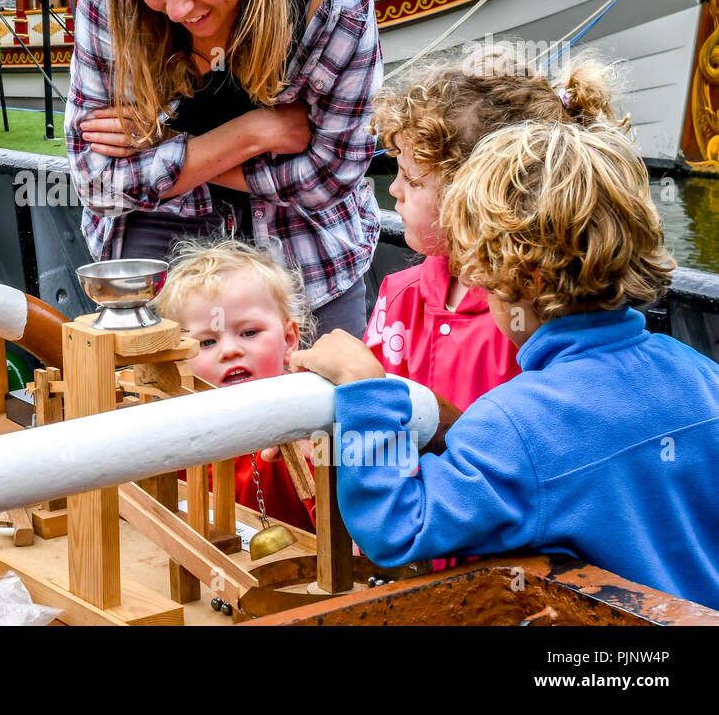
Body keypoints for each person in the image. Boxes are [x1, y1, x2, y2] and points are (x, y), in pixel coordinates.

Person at [291, 121, 719, 611]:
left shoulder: (517, 424)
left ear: (528, 283)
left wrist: (364, 392)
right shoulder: (702, 375)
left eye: (483, 275)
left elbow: (397, 529)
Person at [66, 0, 381, 337]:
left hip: (307, 261)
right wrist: (256, 132)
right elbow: (98, 182)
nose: (177, 9)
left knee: (318, 413)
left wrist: (167, 143)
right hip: (156, 273)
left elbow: (331, 177)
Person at [366, 41, 622, 411]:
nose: (393, 191)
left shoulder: (532, 315)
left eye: (413, 180)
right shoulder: (399, 295)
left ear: (476, 191)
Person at [154, 240, 317, 530]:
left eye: (249, 332)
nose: (229, 351)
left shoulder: (312, 418)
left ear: (289, 340)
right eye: (207, 342)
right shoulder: (174, 432)